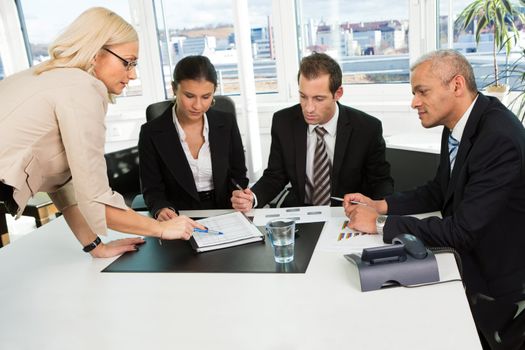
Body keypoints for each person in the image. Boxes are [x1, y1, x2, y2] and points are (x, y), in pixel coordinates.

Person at [343, 50, 525, 349]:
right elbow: (440, 190)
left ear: (456, 85)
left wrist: (380, 224)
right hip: (470, 262)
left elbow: (462, 231)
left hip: (499, 286)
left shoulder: (498, 138)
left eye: (421, 92)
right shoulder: (459, 125)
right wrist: (381, 204)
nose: (414, 102)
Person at [0, 7, 203, 258]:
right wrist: (161, 229)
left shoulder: (48, 77)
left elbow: (65, 184)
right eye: (127, 62)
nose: (133, 74)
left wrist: (95, 246)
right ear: (96, 53)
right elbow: (95, 197)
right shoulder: (82, 89)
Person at [231, 52, 393, 211]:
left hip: (347, 213)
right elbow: (275, 176)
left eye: (318, 99)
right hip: (301, 211)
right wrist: (252, 198)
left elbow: (380, 182)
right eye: (303, 96)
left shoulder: (366, 128)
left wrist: (380, 215)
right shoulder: (284, 122)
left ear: (338, 93)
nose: (308, 108)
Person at [138, 55, 248, 220]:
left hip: (225, 212)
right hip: (178, 215)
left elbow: (238, 174)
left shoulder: (226, 123)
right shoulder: (151, 132)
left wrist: (240, 196)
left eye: (206, 97)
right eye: (189, 96)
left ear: (214, 92)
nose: (198, 106)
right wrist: (161, 208)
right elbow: (152, 188)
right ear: (174, 89)